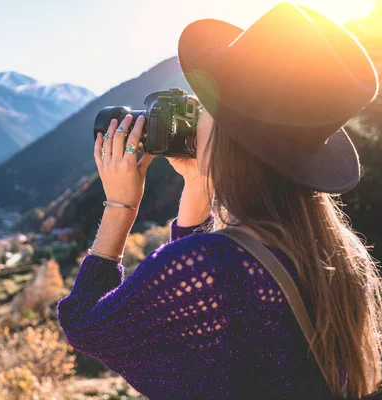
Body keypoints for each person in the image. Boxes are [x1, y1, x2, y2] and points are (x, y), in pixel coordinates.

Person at [56, 2, 382, 399]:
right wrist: (196, 186)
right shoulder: (341, 254)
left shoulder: (218, 264)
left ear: (229, 135)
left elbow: (85, 324)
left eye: (205, 107)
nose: (194, 120)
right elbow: (209, 310)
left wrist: (120, 208)